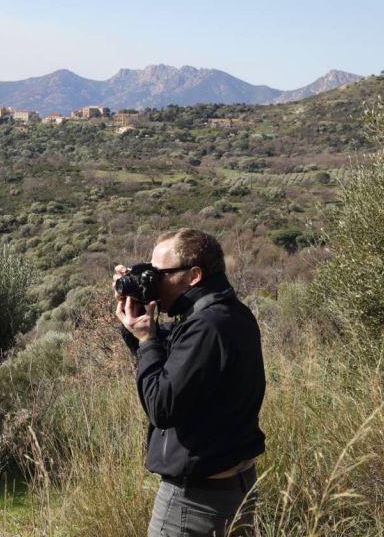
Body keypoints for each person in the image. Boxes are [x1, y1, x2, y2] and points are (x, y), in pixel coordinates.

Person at [114, 228, 266, 537]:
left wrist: (146, 341)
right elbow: (178, 354)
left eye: (160, 274)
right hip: (235, 486)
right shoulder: (229, 314)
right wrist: (141, 324)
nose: (154, 282)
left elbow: (162, 406)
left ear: (194, 275)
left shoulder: (206, 327)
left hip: (196, 501)